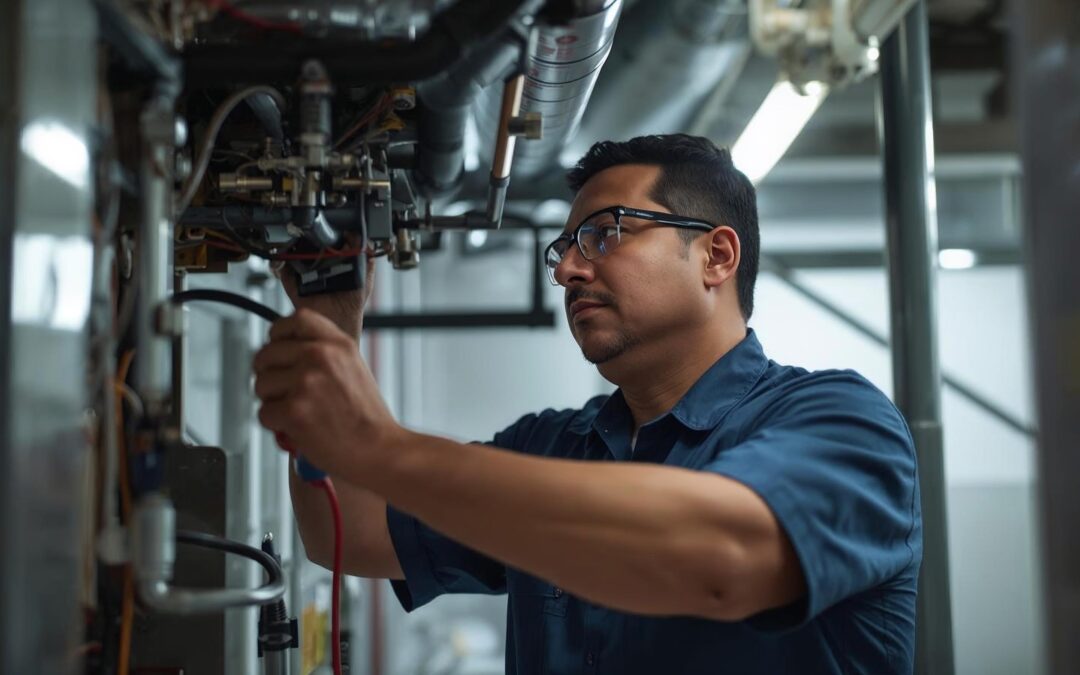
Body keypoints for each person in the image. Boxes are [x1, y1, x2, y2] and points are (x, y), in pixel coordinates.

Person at [252, 134, 922, 675]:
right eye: (564, 247)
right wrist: (329, 327)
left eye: (606, 233)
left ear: (715, 255)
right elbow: (349, 530)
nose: (568, 269)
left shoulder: (845, 424)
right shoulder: (553, 445)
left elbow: (719, 556)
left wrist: (381, 446)